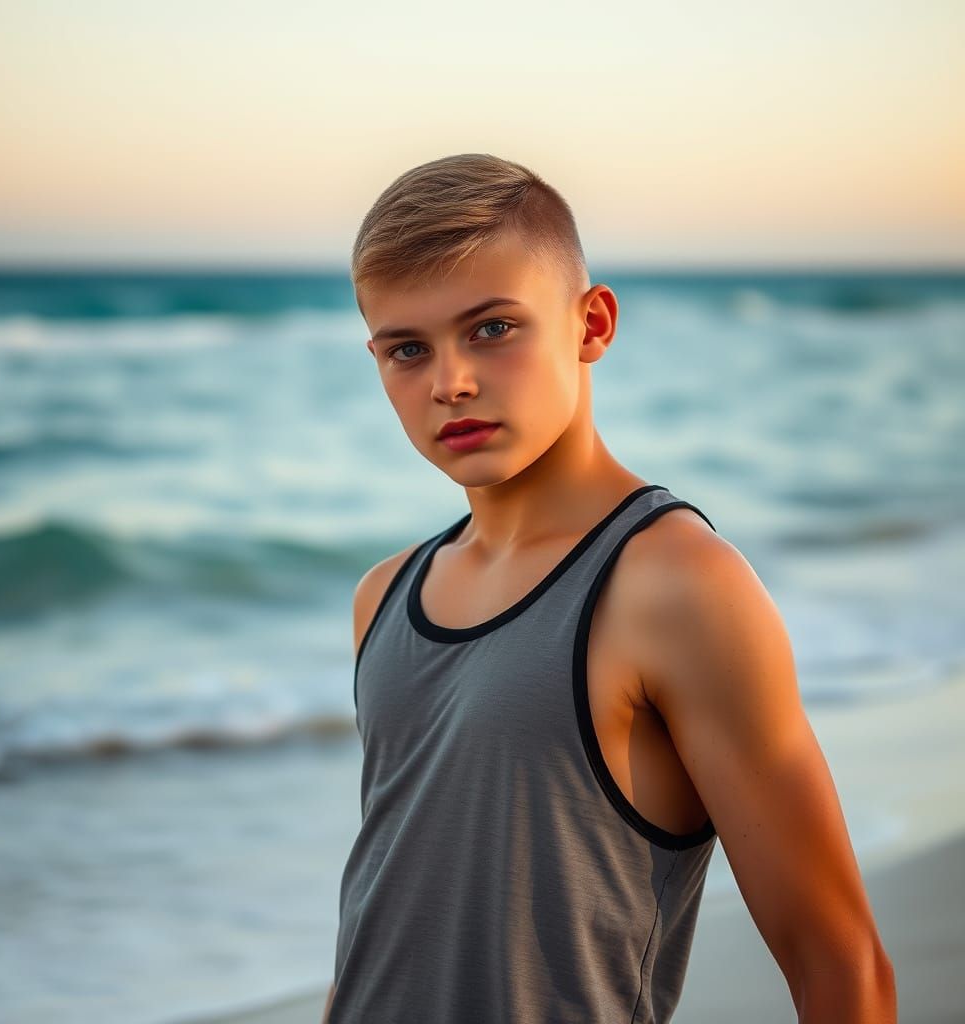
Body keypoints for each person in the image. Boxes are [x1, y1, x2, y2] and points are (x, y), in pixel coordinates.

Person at [321, 153, 896, 1022]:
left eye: (492, 328)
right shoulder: (385, 595)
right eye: (408, 349)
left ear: (591, 324)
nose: (450, 383)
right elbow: (383, 919)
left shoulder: (675, 585)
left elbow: (842, 966)